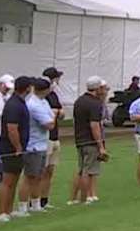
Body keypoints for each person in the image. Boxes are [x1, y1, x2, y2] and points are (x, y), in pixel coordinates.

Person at [0, 76, 32, 222]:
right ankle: (1, 212)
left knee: (14, 179)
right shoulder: (14, 105)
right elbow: (12, 128)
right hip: (10, 148)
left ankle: (9, 210)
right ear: (27, 88)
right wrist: (18, 147)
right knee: (8, 180)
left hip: (19, 147)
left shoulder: (20, 102)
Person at [69, 76, 109, 205]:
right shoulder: (95, 103)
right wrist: (100, 145)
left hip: (79, 139)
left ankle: (76, 197)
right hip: (90, 141)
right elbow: (94, 125)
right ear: (98, 88)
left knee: (81, 169)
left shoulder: (79, 101)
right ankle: (85, 198)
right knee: (89, 171)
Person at [20, 77, 55, 214]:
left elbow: (51, 117)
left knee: (39, 176)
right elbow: (49, 124)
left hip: (42, 144)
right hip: (33, 145)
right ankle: (23, 206)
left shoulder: (43, 102)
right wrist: (53, 118)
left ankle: (36, 204)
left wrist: (52, 118)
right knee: (29, 176)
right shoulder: (33, 105)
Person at [40, 67, 65, 208]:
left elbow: (60, 112)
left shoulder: (54, 95)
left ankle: (45, 199)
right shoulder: (42, 97)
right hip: (46, 137)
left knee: (50, 170)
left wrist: (57, 112)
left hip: (55, 136)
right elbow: (49, 115)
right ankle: (34, 201)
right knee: (41, 171)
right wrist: (55, 113)